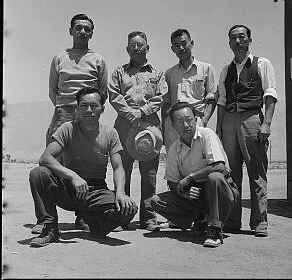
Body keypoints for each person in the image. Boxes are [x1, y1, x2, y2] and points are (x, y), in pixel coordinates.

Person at [29, 87, 137, 247]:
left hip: (96, 191)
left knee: (129, 208)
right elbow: (45, 158)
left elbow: (118, 167)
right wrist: (73, 176)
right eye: (84, 106)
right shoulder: (67, 128)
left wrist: (120, 192)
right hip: (68, 188)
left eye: (94, 106)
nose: (89, 110)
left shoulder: (110, 133)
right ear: (77, 109)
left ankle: (96, 225)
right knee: (38, 174)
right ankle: (50, 228)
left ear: (102, 109)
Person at [32, 13, 108, 234]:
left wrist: (87, 112)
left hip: (88, 116)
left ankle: (82, 216)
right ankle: (45, 218)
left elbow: (102, 93)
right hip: (63, 114)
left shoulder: (99, 60)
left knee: (83, 165)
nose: (82, 32)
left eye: (87, 29)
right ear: (71, 31)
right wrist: (66, 109)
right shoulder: (59, 58)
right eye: (78, 28)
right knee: (49, 165)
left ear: (91, 33)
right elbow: (52, 90)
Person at [216, 24, 278, 237]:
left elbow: (270, 94)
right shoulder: (226, 69)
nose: (238, 41)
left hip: (253, 118)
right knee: (231, 174)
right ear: (229, 43)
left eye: (242, 37)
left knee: (256, 171)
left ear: (249, 40)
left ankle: (260, 221)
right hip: (229, 121)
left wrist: (266, 123)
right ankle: (233, 220)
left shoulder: (262, 63)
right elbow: (222, 101)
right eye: (233, 38)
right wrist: (219, 129)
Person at [151, 102, 239, 247]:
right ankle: (201, 220)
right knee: (156, 200)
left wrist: (190, 177)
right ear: (173, 125)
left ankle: (215, 229)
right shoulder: (174, 149)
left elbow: (219, 166)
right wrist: (184, 193)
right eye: (180, 122)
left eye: (189, 119)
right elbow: (173, 183)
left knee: (214, 177)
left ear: (195, 119)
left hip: (221, 192)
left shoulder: (207, 135)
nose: (186, 125)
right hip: (196, 196)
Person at [108, 31, 168, 231]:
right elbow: (114, 95)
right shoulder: (119, 72)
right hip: (125, 125)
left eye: (139, 45)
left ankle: (148, 218)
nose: (136, 48)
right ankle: (121, 217)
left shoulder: (157, 74)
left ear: (147, 48)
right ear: (127, 49)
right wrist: (130, 114)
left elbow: (161, 96)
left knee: (149, 174)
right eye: (132, 45)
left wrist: (142, 112)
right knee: (122, 171)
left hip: (150, 126)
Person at [162, 29, 218, 153]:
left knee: (197, 160)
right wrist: (164, 128)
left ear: (191, 43)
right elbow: (166, 103)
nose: (181, 48)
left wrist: (204, 121)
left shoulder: (206, 69)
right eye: (177, 46)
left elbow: (212, 98)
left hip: (196, 121)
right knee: (175, 161)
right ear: (172, 49)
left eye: (184, 43)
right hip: (173, 125)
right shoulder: (169, 73)